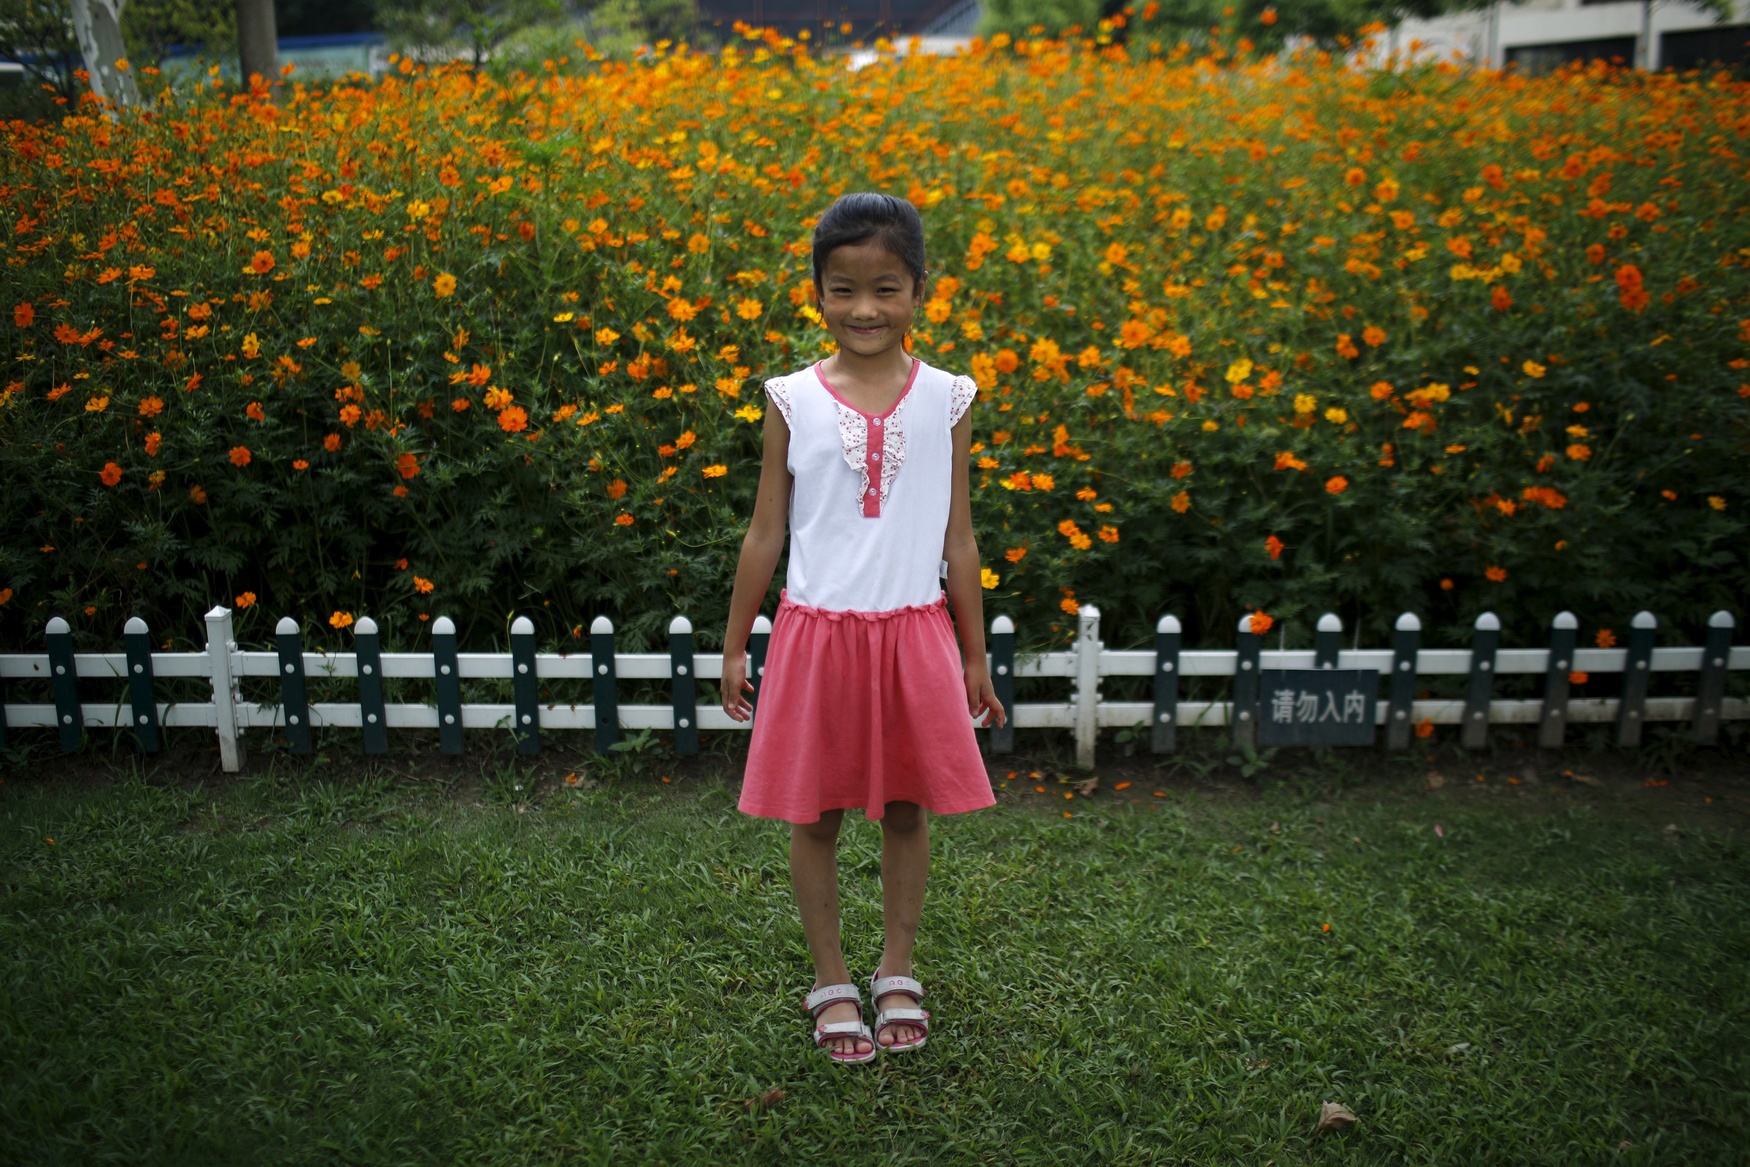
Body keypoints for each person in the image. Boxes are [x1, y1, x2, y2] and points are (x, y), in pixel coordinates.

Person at [719, 192, 1006, 1065]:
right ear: (816, 292)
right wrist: (736, 642)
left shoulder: (949, 399)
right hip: (814, 636)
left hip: (914, 636)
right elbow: (767, 528)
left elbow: (959, 537)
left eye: (886, 287)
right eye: (843, 289)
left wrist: (975, 654)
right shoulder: (793, 397)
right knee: (815, 816)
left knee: (907, 809)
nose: (865, 309)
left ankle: (896, 968)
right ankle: (832, 978)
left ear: (920, 288)